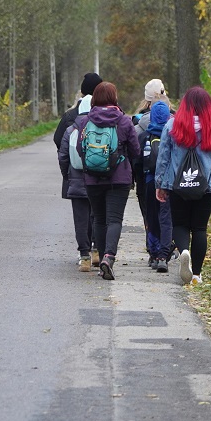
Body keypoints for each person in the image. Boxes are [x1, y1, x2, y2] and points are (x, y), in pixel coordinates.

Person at [154, 86, 211, 285]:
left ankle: (184, 251)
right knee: (199, 228)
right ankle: (196, 275)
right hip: (206, 187)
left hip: (177, 185)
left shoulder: (172, 125)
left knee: (179, 224)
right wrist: (209, 160)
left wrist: (160, 184)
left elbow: (163, 157)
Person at [74, 82, 141, 280]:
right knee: (114, 219)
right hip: (119, 179)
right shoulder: (124, 121)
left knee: (99, 218)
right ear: (114, 98)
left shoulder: (86, 121)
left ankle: (102, 257)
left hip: (93, 178)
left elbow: (80, 149)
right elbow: (136, 150)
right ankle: (108, 257)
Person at [136, 99, 174, 272]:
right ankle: (163, 256)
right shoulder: (172, 135)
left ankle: (153, 252)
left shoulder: (144, 136)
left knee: (151, 218)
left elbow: (137, 162)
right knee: (166, 218)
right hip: (168, 182)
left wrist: (138, 180)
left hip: (149, 182)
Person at [58, 96, 94, 271]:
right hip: (97, 181)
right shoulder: (102, 128)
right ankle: (97, 250)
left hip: (77, 180)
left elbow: (63, 156)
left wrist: (67, 176)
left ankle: (84, 256)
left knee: (80, 220)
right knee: (97, 217)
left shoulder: (71, 130)